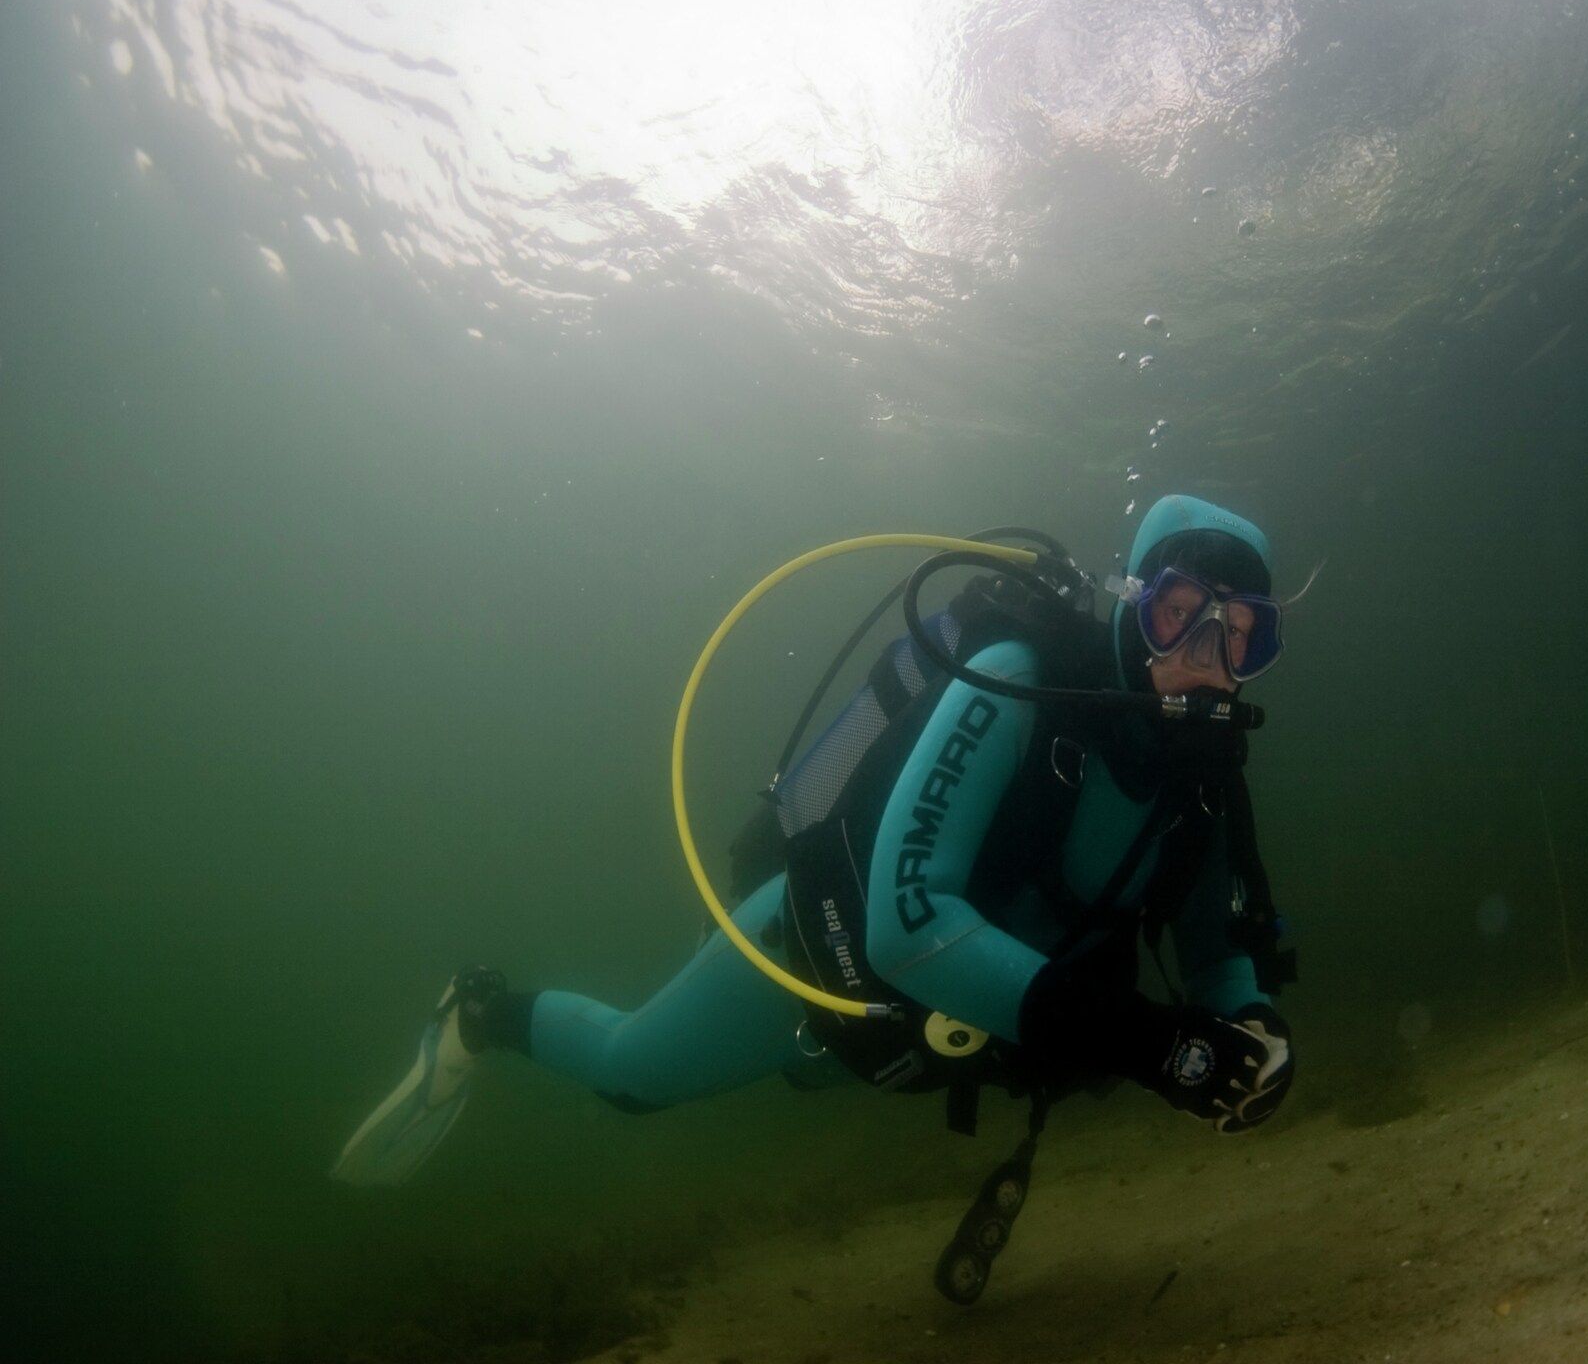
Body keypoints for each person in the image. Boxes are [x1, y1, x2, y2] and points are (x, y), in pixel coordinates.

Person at [333, 495, 1297, 1196]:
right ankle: (480, 1017)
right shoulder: (1017, 680)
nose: (1204, 658)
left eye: (1240, 636)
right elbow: (910, 928)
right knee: (637, 1073)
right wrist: (1152, 1045)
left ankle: (766, 1034)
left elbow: (1218, 957)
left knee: (806, 1072)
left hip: (920, 1035)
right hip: (821, 952)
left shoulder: (1202, 780)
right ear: (1136, 602)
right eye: (1180, 613)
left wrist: (1251, 1034)